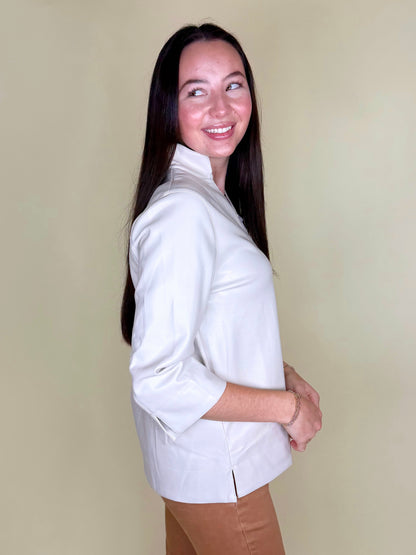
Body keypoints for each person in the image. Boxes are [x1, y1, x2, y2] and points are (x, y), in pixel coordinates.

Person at [121, 23, 322, 555]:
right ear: (169, 108)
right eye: (196, 91)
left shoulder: (210, 199)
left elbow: (214, 330)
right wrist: (286, 408)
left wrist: (283, 374)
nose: (221, 107)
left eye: (234, 85)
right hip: (220, 480)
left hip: (202, 474)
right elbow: (160, 377)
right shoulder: (183, 212)